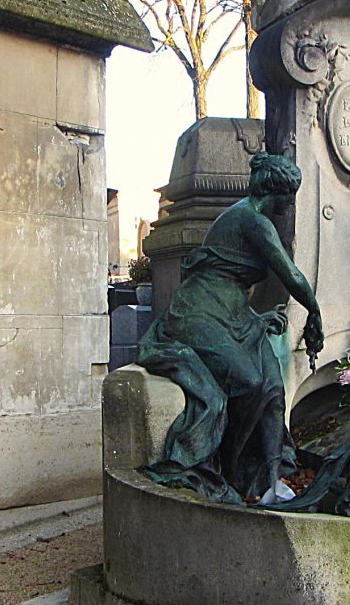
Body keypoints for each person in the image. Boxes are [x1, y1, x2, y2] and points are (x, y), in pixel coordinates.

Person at [138, 152, 325, 504]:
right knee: (248, 382)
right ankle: (233, 469)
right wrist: (314, 312)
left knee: (272, 391)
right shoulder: (252, 219)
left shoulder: (252, 217)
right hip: (200, 310)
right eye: (289, 195)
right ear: (277, 191)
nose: (290, 203)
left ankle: (270, 480)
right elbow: (291, 274)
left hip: (235, 314)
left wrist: (255, 318)